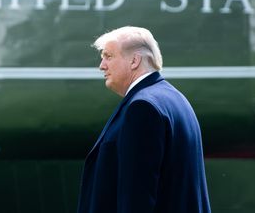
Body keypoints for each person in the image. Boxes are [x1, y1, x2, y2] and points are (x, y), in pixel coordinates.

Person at [77, 26, 211, 213]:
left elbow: (137, 195)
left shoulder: (142, 107)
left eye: (108, 56)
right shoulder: (175, 99)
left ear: (134, 60)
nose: (102, 66)